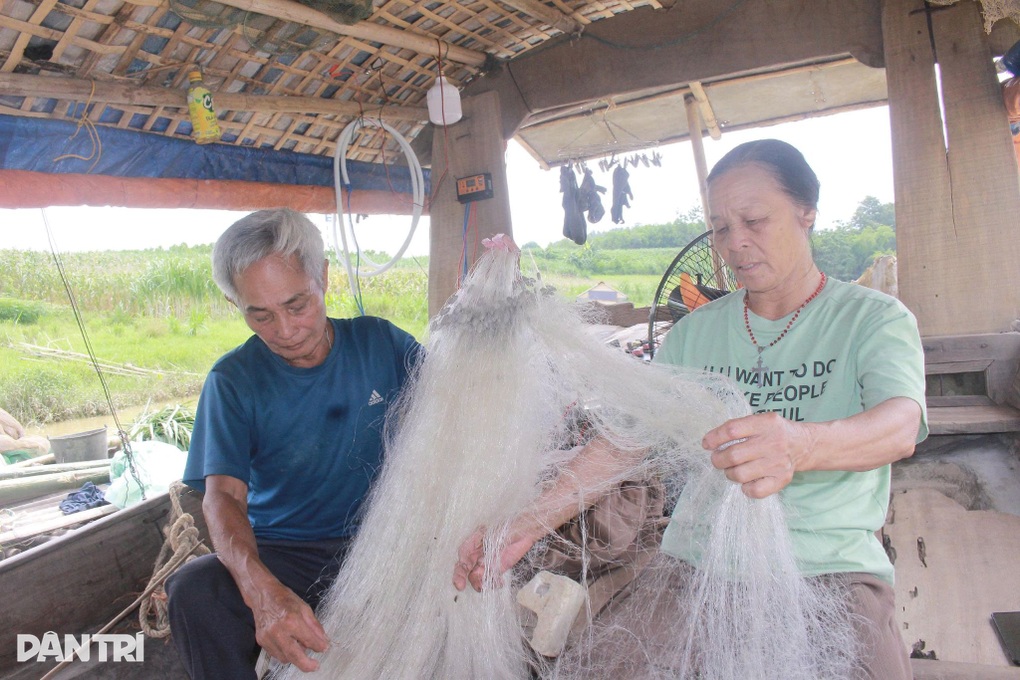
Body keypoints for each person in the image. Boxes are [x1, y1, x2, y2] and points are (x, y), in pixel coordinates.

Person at [454, 139, 927, 679]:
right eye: (721, 228)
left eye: (754, 220)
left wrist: (802, 445)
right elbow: (626, 441)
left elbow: (899, 426)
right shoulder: (696, 332)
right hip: (697, 567)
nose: (735, 244)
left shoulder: (873, 320)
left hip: (830, 570)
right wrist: (526, 524)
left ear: (806, 212)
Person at [166, 208, 423, 679]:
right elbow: (222, 497)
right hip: (289, 554)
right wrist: (262, 592)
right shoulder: (232, 382)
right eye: (260, 316)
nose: (285, 332)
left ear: (322, 276)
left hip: (385, 538)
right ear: (235, 305)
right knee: (193, 591)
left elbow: (454, 404)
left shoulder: (381, 343)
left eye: (297, 305)